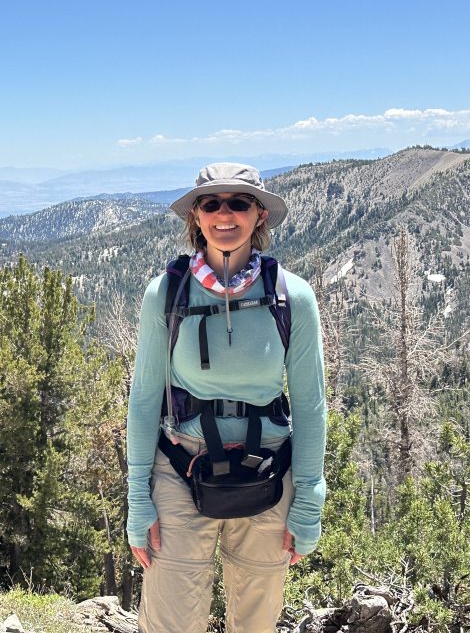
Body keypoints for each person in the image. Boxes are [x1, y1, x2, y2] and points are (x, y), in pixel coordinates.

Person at [126, 162, 327, 633]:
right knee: (171, 622)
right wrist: (138, 497)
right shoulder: (167, 293)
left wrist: (310, 499)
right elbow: (143, 399)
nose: (225, 214)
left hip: (269, 469)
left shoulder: (291, 297)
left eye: (239, 203)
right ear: (195, 217)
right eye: (211, 203)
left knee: (256, 622)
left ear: (259, 215)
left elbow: (310, 403)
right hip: (181, 465)